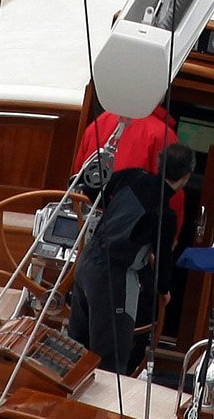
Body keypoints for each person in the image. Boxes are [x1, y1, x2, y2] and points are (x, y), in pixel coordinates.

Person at [70, 136, 193, 379]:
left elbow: (95, 189)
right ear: (186, 177)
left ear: (160, 164)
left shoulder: (134, 176)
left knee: (77, 347)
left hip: (86, 264)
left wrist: (111, 212)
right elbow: (163, 258)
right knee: (109, 360)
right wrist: (163, 290)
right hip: (112, 280)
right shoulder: (165, 215)